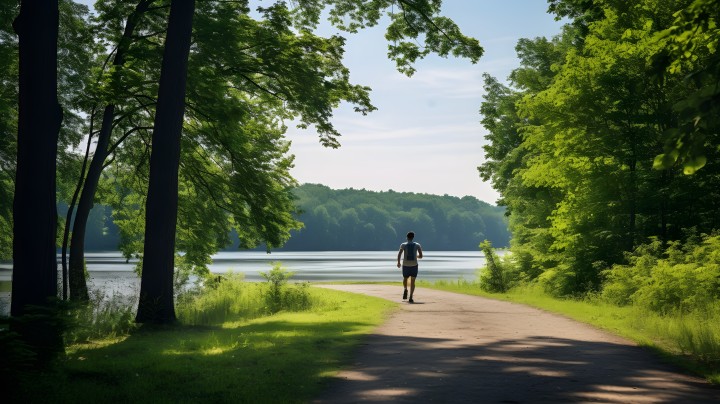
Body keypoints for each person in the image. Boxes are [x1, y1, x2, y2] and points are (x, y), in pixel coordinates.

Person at [397, 231, 423, 303]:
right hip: (414, 265)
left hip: (405, 265)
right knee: (413, 281)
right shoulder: (417, 245)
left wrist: (399, 262)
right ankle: (411, 296)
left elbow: (399, 254)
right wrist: (416, 256)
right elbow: (421, 256)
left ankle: (405, 289)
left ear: (407, 237)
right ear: (413, 237)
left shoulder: (403, 245)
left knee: (405, 278)